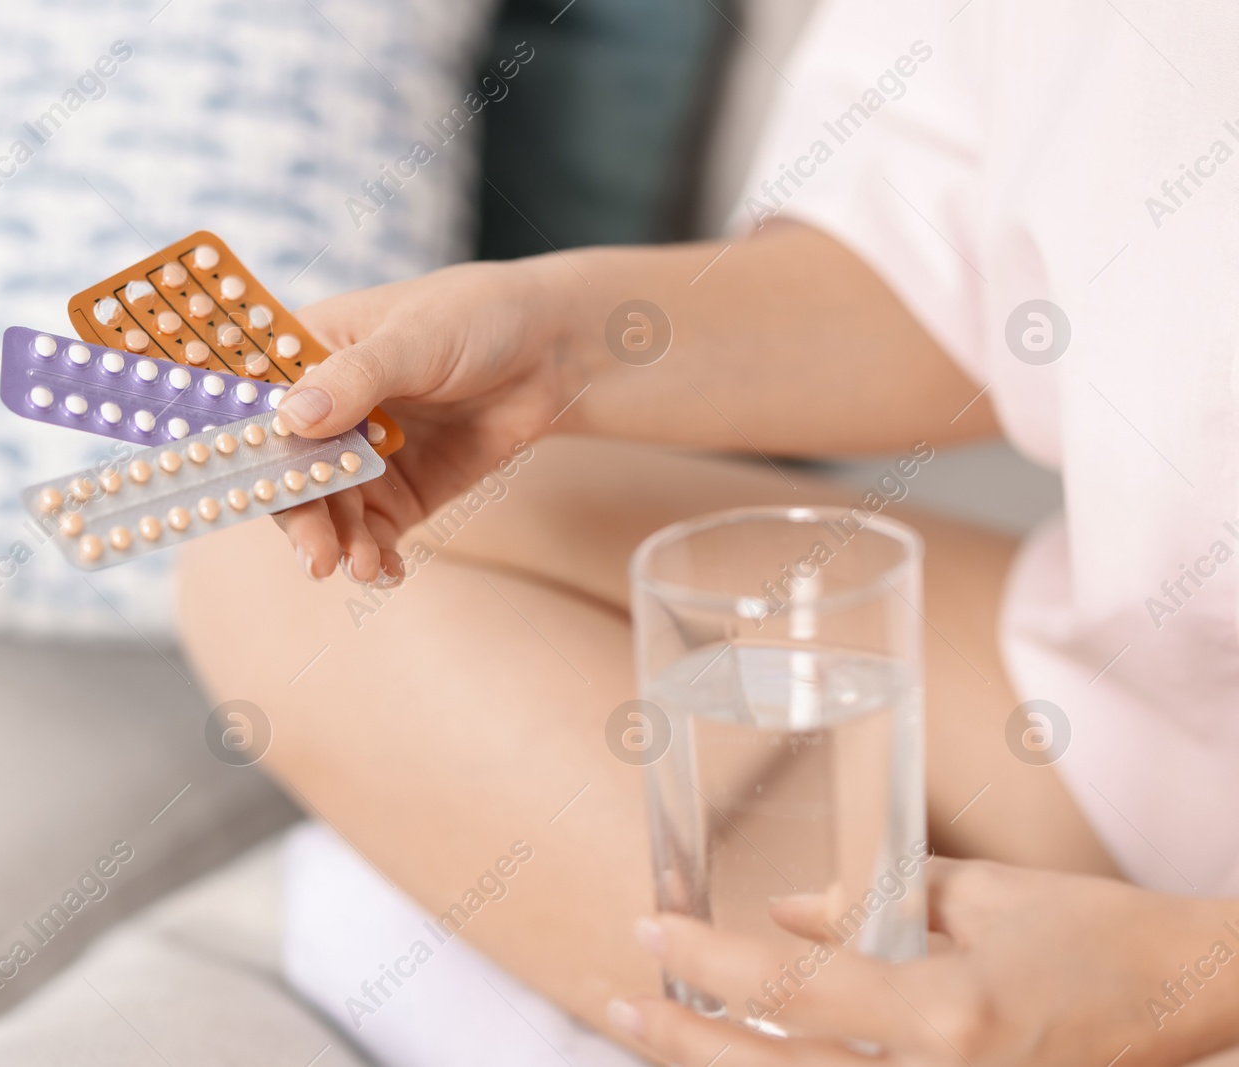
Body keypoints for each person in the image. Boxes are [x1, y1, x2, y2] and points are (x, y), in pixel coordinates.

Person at [181, 0, 1239, 1062]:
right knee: (284, 572)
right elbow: (946, 271)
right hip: (1176, 719)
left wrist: (1188, 978)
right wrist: (552, 341)